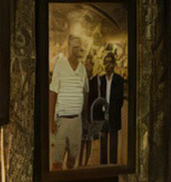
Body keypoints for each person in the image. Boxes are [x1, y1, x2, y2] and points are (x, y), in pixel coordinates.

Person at [48, 34, 88, 171]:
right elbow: (53, 93)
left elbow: (85, 91)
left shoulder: (82, 68)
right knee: (57, 159)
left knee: (73, 157)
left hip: (77, 120)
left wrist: (85, 117)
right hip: (62, 120)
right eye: (74, 47)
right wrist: (51, 120)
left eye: (79, 47)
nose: (77, 50)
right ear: (69, 47)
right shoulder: (60, 64)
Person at [86, 50, 127, 167]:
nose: (107, 65)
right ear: (103, 64)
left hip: (114, 114)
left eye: (110, 63)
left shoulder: (119, 80)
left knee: (113, 140)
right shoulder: (100, 80)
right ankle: (103, 165)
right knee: (103, 140)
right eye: (106, 63)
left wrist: (111, 112)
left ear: (114, 64)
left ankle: (113, 165)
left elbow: (119, 100)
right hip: (103, 115)